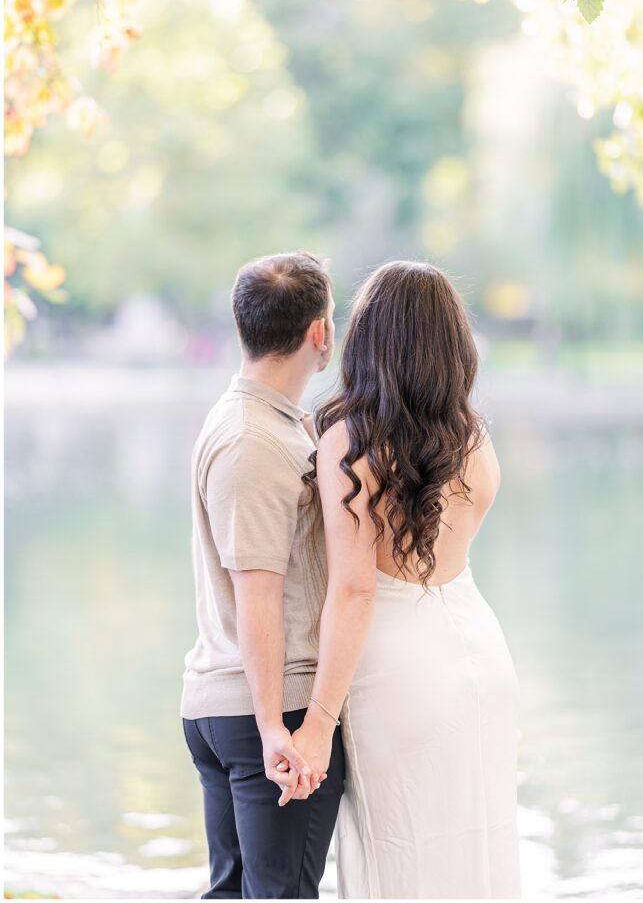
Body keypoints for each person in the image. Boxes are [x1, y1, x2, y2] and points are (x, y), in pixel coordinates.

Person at [294, 260, 523, 899]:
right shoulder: (472, 437)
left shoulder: (350, 442)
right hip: (479, 648)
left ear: (368, 340)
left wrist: (316, 722)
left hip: (397, 667)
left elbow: (354, 588)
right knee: (479, 849)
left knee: (399, 854)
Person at [180, 251, 344, 900]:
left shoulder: (269, 424)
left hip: (236, 708)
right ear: (318, 333)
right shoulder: (253, 440)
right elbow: (258, 593)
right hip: (262, 713)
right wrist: (276, 724)